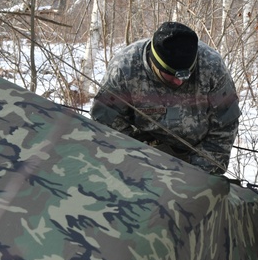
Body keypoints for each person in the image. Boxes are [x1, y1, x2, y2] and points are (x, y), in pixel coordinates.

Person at [91, 21, 240, 174]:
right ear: (154, 64)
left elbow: (225, 127)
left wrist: (197, 174)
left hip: (196, 157)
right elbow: (105, 124)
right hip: (140, 154)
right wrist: (138, 162)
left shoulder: (212, 66)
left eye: (185, 74)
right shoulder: (124, 68)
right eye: (171, 76)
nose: (179, 81)